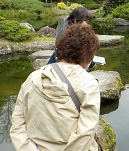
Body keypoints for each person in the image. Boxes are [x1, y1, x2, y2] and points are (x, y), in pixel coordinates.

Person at [10, 23, 101, 151]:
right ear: (87, 55)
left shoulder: (33, 77)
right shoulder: (88, 83)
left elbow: (17, 122)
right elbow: (86, 132)